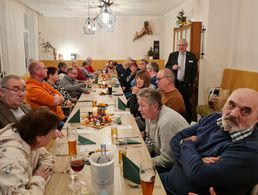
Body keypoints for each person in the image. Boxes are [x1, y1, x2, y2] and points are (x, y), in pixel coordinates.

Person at [160, 88, 258, 195]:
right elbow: (176, 139)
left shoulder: (251, 149)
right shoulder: (213, 118)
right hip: (167, 181)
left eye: (245, 111)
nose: (234, 113)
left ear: (256, 118)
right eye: (231, 105)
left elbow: (198, 174)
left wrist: (187, 143)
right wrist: (195, 162)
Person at [0, 107, 59, 194]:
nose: (54, 135)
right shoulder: (11, 159)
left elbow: (47, 157)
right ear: (39, 137)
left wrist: (40, 173)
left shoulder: (30, 139)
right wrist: (39, 179)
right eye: (52, 132)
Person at [137, 87, 189, 173]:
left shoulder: (167, 123)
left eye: (142, 105)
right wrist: (143, 155)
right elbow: (150, 140)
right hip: (159, 159)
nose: (139, 109)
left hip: (177, 168)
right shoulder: (149, 115)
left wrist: (144, 162)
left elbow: (168, 160)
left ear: (155, 106)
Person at [25, 61, 65, 129]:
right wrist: (57, 98)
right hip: (48, 123)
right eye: (44, 68)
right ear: (37, 71)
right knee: (75, 128)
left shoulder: (43, 83)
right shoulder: (31, 88)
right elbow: (52, 102)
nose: (46, 70)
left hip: (59, 116)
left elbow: (61, 96)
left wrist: (57, 98)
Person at [165, 38, 197, 122]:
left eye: (183, 45)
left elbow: (194, 72)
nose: (181, 47)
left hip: (186, 85)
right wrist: (172, 67)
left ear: (186, 46)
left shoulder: (192, 56)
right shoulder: (172, 55)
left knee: (187, 104)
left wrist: (190, 83)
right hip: (175, 84)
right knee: (175, 102)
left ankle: (188, 121)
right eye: (179, 45)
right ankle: (175, 120)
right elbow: (166, 68)